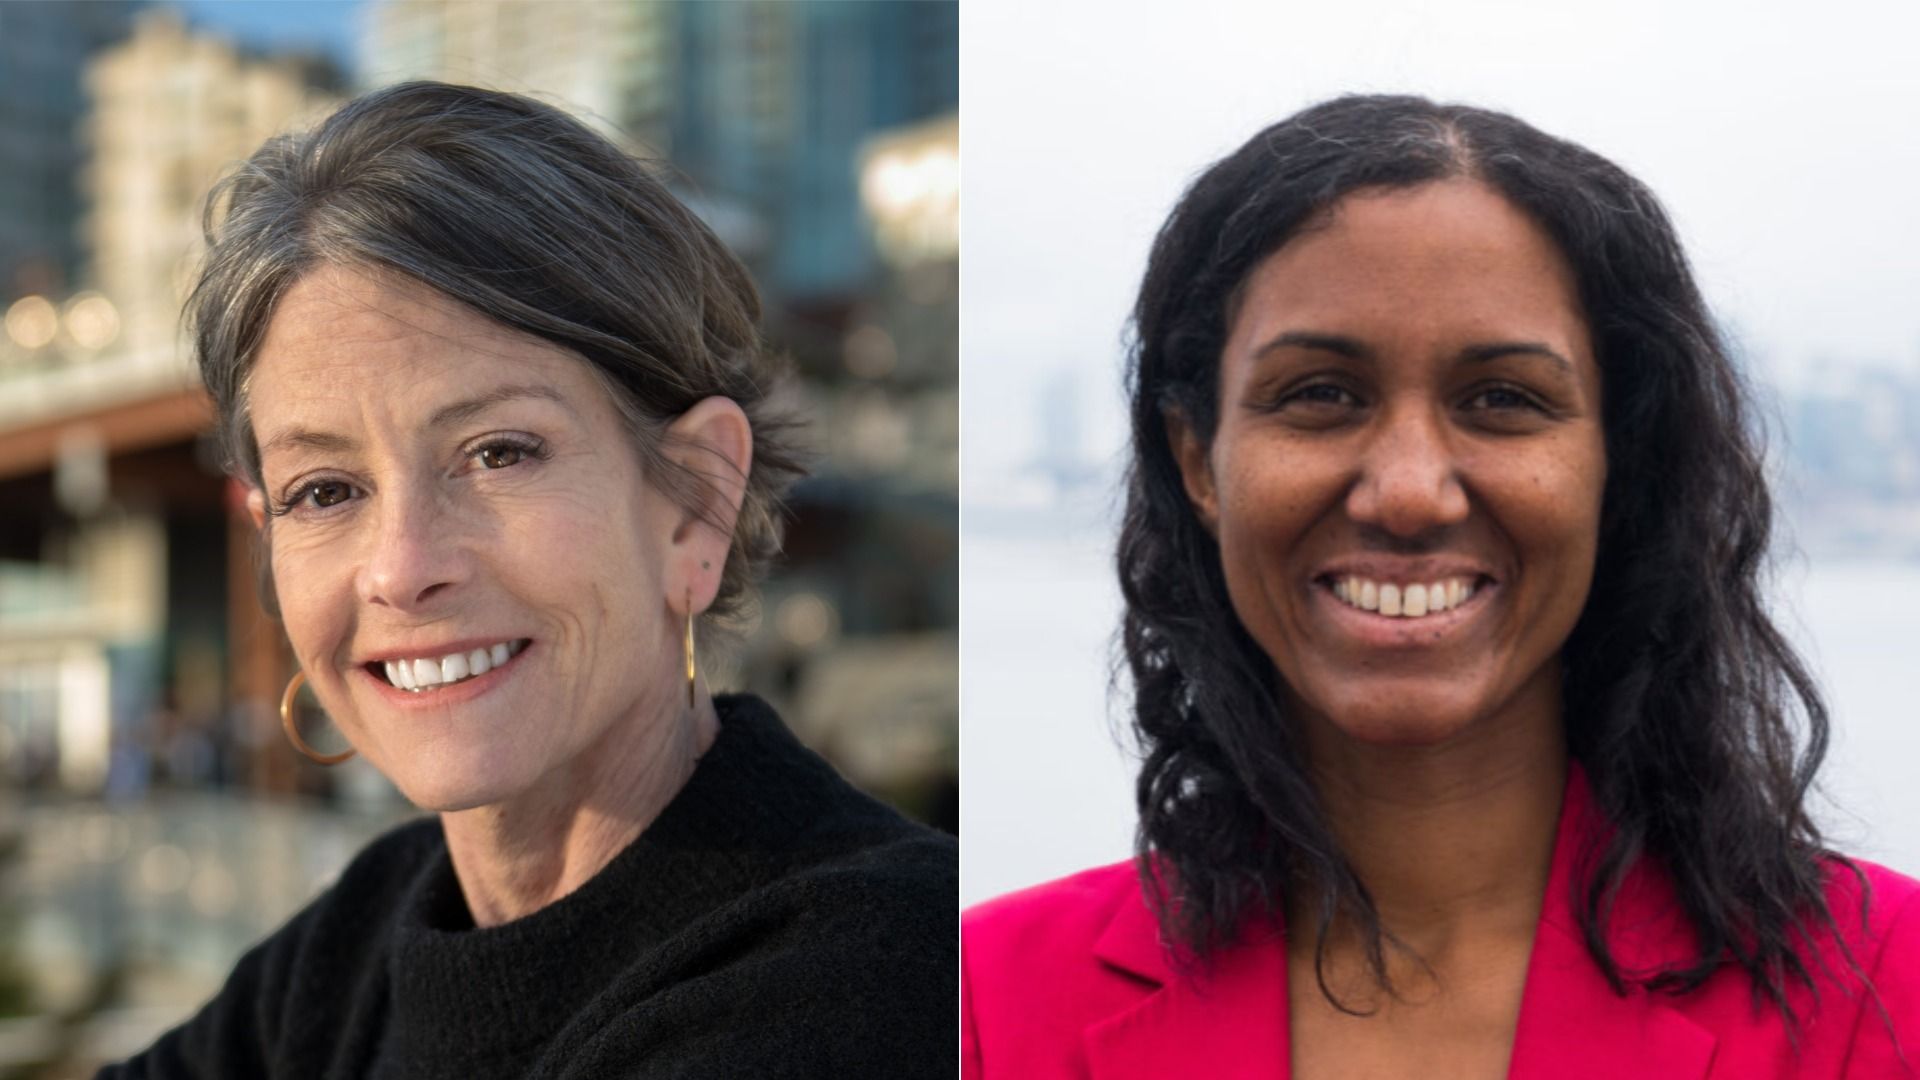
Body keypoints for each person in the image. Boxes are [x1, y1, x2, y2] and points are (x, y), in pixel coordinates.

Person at [962, 94, 1919, 1079]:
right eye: (1321, 394)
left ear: (1616, 467)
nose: (1410, 493)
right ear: (1199, 460)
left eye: (1501, 400)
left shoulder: (1888, 989)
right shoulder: (985, 1002)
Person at [100, 82, 955, 1079]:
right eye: (326, 489)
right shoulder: (358, 947)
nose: (402, 568)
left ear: (696, 503)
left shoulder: (872, 978)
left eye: (499, 452)